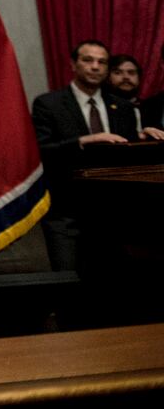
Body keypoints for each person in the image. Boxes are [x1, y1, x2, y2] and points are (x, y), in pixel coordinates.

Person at [31, 40, 145, 270]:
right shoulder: (48, 104)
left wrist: (145, 139)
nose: (95, 67)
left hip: (112, 217)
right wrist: (82, 141)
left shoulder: (123, 107)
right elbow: (41, 152)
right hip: (66, 214)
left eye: (102, 62)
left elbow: (128, 158)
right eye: (88, 60)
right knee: (69, 289)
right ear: (73, 64)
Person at [105, 53, 164, 140]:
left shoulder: (151, 106)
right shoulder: (101, 107)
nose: (126, 77)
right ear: (107, 77)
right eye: (118, 73)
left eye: (131, 73)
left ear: (139, 78)